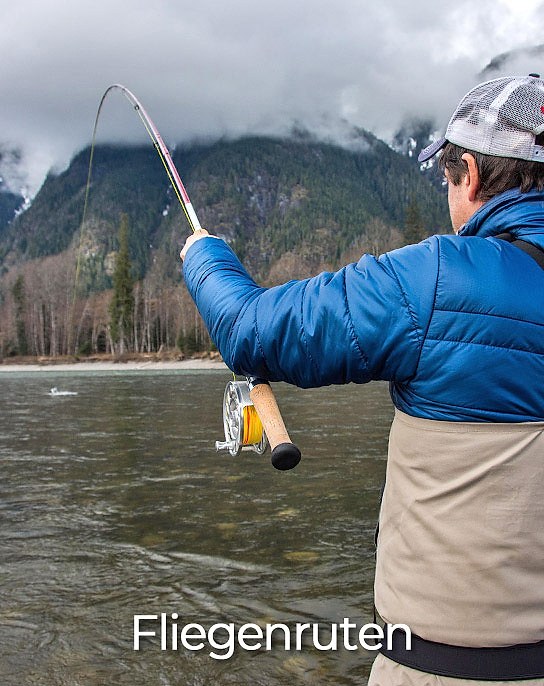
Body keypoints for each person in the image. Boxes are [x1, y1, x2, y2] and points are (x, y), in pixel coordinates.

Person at [180, 74, 544, 684]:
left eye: (449, 180)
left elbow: (249, 330)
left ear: (472, 176)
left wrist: (204, 256)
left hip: (436, 669)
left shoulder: (433, 280)